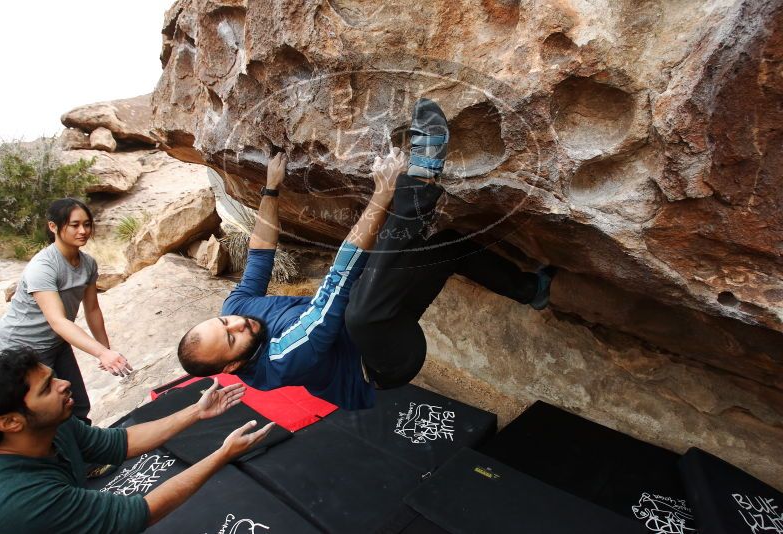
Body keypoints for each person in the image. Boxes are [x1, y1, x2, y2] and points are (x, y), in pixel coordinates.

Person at [177, 99, 553, 409]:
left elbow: (260, 253)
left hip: (377, 313)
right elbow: (334, 289)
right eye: (231, 338)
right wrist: (384, 192)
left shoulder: (236, 310)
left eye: (224, 323)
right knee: (358, 308)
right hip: (384, 362)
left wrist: (271, 189)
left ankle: (531, 290)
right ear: (232, 366)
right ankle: (421, 177)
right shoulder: (283, 361)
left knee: (447, 246)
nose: (237, 324)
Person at [0, 347, 274, 533]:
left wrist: (196, 411)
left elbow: (118, 443)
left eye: (54, 376)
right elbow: (138, 513)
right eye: (47, 388)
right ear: (10, 422)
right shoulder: (23, 500)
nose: (65, 384)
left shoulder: (52, 426)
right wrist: (222, 455)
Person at [0, 198, 132, 424]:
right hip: (22, 347)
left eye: (87, 224)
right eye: (74, 225)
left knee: (77, 405)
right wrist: (100, 353)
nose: (83, 231)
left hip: (57, 343)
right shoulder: (43, 267)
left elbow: (93, 310)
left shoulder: (88, 264)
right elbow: (57, 320)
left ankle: (89, 455)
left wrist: (105, 349)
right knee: (46, 414)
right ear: (53, 227)